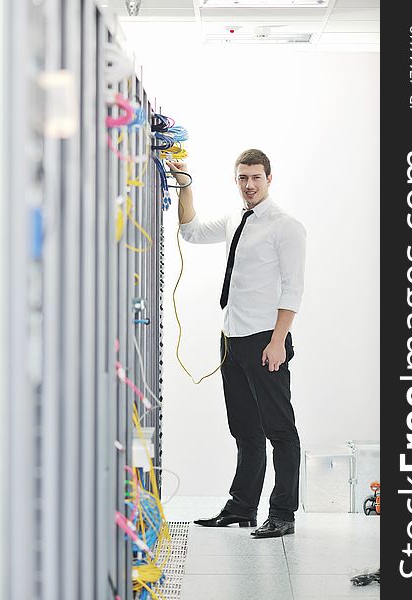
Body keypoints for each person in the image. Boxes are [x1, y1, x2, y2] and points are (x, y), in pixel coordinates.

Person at [167, 149, 306, 539]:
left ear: (269, 178)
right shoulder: (234, 219)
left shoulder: (285, 226)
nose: (249, 185)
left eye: (256, 178)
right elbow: (191, 232)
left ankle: (282, 514)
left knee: (280, 431)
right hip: (232, 339)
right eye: (243, 178)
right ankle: (243, 507)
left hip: (266, 341)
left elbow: (294, 289)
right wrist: (184, 185)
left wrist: (278, 341)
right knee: (244, 429)